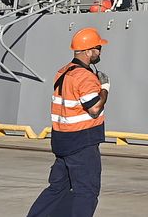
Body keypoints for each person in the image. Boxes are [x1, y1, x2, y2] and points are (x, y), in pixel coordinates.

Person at [27, 27, 111, 217]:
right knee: (86, 192)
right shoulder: (85, 77)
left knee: (57, 188)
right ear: (89, 51)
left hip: (62, 141)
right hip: (81, 143)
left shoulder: (64, 72)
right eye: (98, 47)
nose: (100, 51)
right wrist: (105, 88)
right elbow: (94, 108)